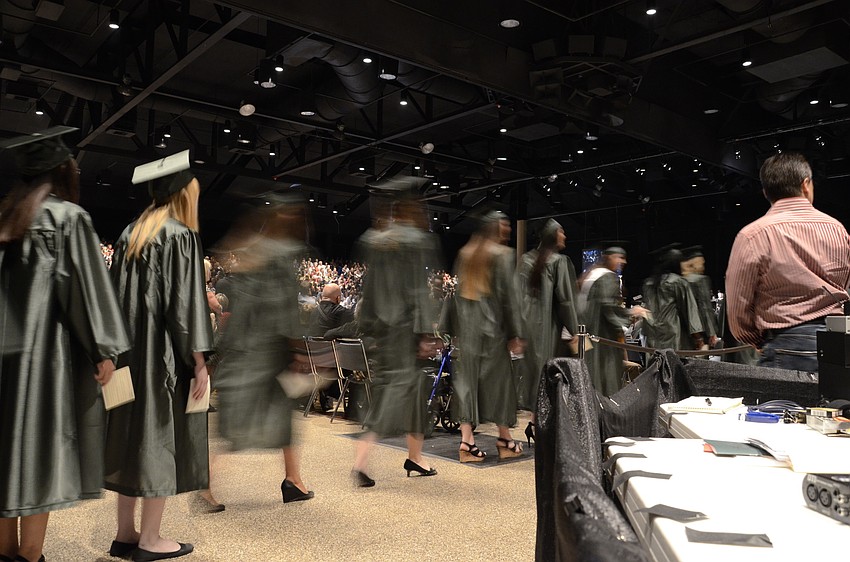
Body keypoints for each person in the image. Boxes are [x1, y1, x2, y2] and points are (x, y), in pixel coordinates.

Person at [0, 127, 130, 562]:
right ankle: (31, 555)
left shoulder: (5, 219)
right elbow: (84, 290)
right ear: (62, 171)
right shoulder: (67, 219)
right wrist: (104, 348)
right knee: (38, 453)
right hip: (42, 363)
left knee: (5, 455)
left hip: (3, 362)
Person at [105, 151, 214, 561]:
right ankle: (150, 539)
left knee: (130, 437)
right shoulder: (180, 235)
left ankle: (125, 533)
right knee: (157, 438)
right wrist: (200, 360)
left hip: (127, 355)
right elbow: (186, 307)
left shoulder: (129, 233)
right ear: (183, 194)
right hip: (162, 357)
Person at [212, 200, 314, 503]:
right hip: (269, 353)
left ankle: (293, 480)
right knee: (244, 428)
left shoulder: (252, 252)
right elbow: (284, 305)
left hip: (247, 349)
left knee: (280, 419)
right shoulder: (281, 255)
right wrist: (295, 348)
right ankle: (206, 484)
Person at [726, 152, 850, 371]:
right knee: (838, 405)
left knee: (787, 406)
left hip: (785, 343)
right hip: (838, 341)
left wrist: (756, 339)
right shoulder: (836, 229)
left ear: (766, 192)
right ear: (806, 184)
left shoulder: (752, 235)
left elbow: (738, 305)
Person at [351, 195, 440, 487]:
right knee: (395, 396)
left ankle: (416, 457)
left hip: (382, 331)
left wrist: (369, 328)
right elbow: (417, 290)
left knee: (406, 393)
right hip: (406, 331)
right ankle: (361, 461)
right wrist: (426, 332)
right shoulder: (415, 241)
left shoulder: (375, 241)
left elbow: (369, 286)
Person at [440, 210, 525, 462]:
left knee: (467, 386)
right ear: (495, 228)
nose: (508, 229)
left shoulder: (466, 253)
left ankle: (467, 443)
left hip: (467, 334)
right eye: (505, 225)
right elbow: (508, 298)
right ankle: (505, 439)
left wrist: (452, 331)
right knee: (500, 386)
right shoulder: (502, 255)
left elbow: (455, 297)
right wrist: (514, 332)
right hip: (492, 333)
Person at [516, 219, 579, 412]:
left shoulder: (526, 260)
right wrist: (576, 330)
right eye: (561, 232)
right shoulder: (559, 262)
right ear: (553, 235)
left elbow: (516, 297)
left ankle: (534, 424)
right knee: (549, 379)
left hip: (527, 329)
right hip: (548, 331)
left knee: (533, 379)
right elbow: (566, 301)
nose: (565, 236)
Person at [578, 246, 648, 396]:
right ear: (609, 257)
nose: (623, 261)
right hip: (604, 341)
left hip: (590, 337)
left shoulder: (591, 275)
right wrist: (631, 312)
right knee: (606, 380)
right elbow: (609, 307)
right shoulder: (608, 277)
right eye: (619, 257)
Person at [640, 244, 703, 352]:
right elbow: (689, 311)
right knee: (672, 364)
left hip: (652, 333)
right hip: (673, 334)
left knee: (655, 365)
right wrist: (698, 337)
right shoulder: (678, 282)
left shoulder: (648, 283)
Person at [680, 245, 719, 349]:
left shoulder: (680, 281)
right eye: (702, 263)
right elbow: (704, 307)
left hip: (682, 331)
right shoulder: (700, 280)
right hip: (701, 330)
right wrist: (712, 333)